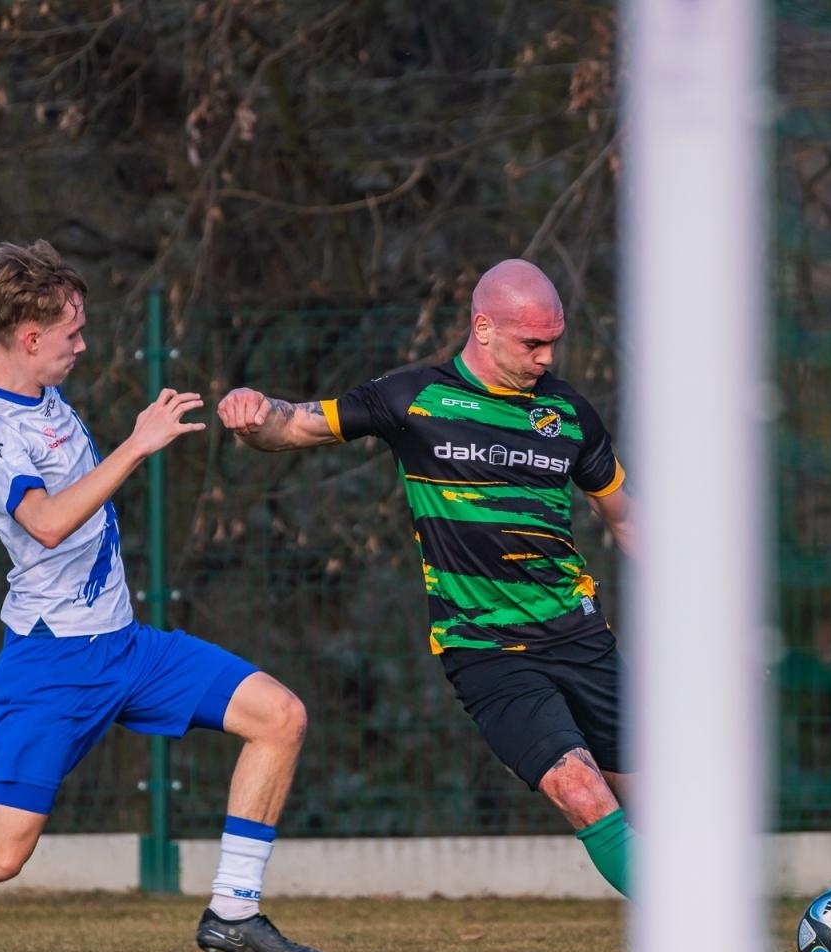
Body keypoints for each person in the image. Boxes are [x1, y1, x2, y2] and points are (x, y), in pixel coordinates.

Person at [0, 240, 331, 952]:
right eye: (72, 334)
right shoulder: (3, 428)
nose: (84, 345)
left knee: (281, 716)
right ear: (30, 339)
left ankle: (233, 913)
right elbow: (47, 520)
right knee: (0, 853)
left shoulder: (12, 396)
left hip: (127, 647)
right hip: (51, 665)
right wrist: (137, 444)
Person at [216, 259, 636, 896]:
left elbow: (629, 521)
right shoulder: (413, 397)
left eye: (555, 340)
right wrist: (252, 411)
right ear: (483, 328)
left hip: (583, 640)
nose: (548, 357)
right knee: (579, 789)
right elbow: (292, 425)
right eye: (533, 343)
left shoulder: (569, 414)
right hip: (487, 651)